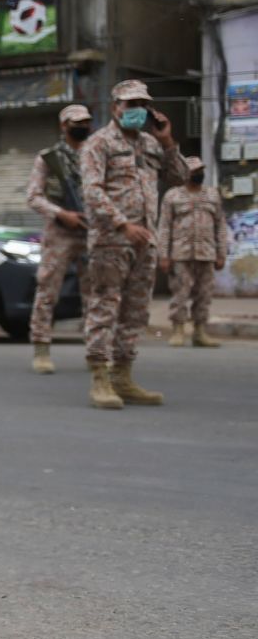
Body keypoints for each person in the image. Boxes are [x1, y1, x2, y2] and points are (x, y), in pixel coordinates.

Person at [79, 79, 188, 409]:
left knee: (136, 313)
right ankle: (100, 379)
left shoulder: (151, 144)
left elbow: (182, 178)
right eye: (130, 105)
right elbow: (93, 191)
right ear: (115, 108)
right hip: (111, 241)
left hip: (145, 243)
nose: (136, 111)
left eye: (142, 105)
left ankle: (122, 378)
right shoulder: (98, 144)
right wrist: (122, 224)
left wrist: (168, 141)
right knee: (105, 307)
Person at [24, 104, 92, 373]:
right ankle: (41, 348)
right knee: (48, 289)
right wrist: (62, 214)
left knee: (95, 294)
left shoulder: (96, 154)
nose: (82, 126)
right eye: (76, 122)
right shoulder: (49, 158)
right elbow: (33, 197)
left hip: (92, 231)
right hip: (60, 232)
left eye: (86, 121)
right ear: (63, 126)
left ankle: (95, 351)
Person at [157, 156, 229, 347]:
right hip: (181, 253)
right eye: (194, 171)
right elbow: (164, 227)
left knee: (204, 294)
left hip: (207, 252)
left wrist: (222, 253)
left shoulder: (212, 195)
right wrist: (163, 254)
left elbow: (220, 225)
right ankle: (178, 329)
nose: (199, 175)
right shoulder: (173, 196)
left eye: (200, 171)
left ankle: (200, 331)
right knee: (180, 292)